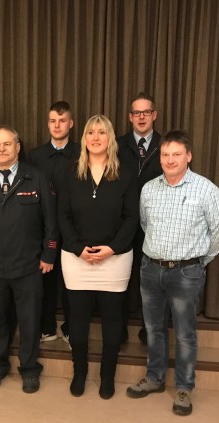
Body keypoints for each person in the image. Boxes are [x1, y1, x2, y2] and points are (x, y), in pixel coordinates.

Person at [126, 130, 219, 416]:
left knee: (184, 333)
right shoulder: (149, 189)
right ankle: (154, 378)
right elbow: (145, 224)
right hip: (151, 269)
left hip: (186, 273)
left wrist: (198, 262)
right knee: (153, 329)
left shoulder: (206, 190)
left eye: (176, 154)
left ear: (188, 156)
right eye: (165, 154)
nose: (170, 160)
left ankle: (184, 387)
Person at [0, 125, 58, 394]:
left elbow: (51, 222)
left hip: (28, 265)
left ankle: (29, 370)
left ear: (18, 147)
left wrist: (49, 254)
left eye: (7, 144)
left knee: (29, 322)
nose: (2, 149)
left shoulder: (36, 177)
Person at [58, 114, 139, 399]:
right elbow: (62, 215)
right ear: (84, 138)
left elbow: (132, 217)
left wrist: (112, 248)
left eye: (101, 132)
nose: (95, 138)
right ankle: (79, 373)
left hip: (115, 259)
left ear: (110, 138)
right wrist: (77, 247)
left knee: (113, 320)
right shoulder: (70, 172)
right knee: (77, 320)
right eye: (90, 132)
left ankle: (107, 377)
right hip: (76, 258)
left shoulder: (126, 172)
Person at [28, 101, 79, 345]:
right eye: (52, 121)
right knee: (45, 279)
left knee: (72, 282)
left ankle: (70, 327)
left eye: (62, 120)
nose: (57, 125)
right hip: (42, 228)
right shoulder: (35, 156)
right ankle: (46, 326)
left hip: (74, 228)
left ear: (71, 124)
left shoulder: (82, 153)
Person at [117, 92, 162, 344]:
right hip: (123, 222)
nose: (141, 117)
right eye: (136, 112)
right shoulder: (117, 145)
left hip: (155, 225)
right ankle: (119, 327)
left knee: (152, 279)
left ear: (154, 115)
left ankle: (149, 329)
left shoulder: (165, 146)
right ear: (130, 117)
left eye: (146, 112)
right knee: (123, 276)